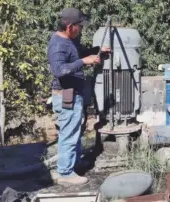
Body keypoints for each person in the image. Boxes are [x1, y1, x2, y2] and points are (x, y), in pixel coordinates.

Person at [47, 7, 110, 185]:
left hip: (75, 93)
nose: (81, 29)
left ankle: (74, 163)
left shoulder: (70, 41)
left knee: (75, 131)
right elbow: (59, 70)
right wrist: (84, 61)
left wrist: (97, 51)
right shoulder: (58, 44)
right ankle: (65, 173)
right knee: (68, 133)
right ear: (70, 26)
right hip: (66, 94)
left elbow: (78, 53)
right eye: (79, 26)